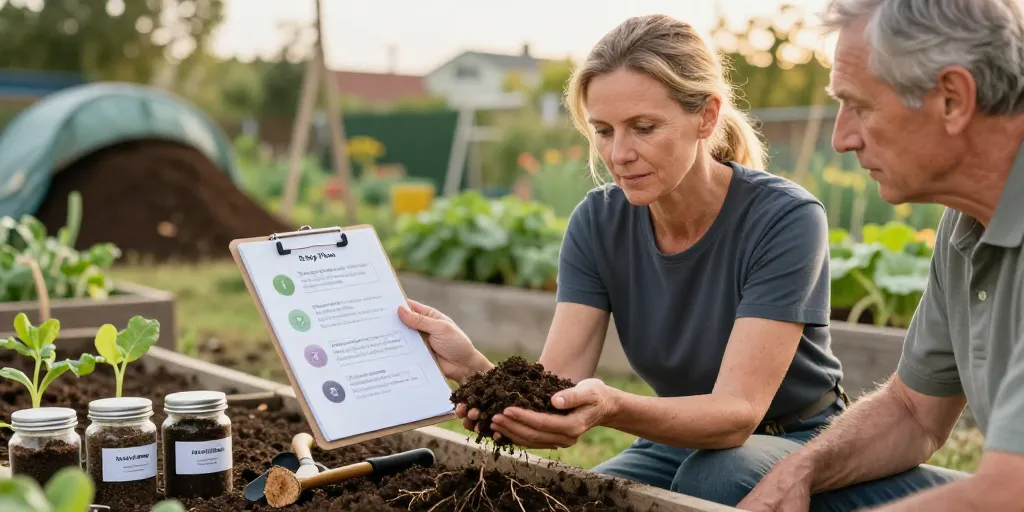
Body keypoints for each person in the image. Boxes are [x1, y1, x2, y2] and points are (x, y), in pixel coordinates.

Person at [397, 13, 848, 507]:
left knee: (716, 478)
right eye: (604, 131)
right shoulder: (598, 223)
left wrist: (610, 405)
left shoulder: (784, 218)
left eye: (644, 127)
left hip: (798, 436)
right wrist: (472, 369)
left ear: (706, 116)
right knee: (586, 498)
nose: (619, 153)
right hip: (681, 440)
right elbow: (554, 395)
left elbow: (738, 413)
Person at [737, 0, 1024, 511]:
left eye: (861, 107)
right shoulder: (966, 224)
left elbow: (1007, 494)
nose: (841, 138)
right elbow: (914, 411)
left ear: (953, 99)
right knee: (738, 477)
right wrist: (799, 472)